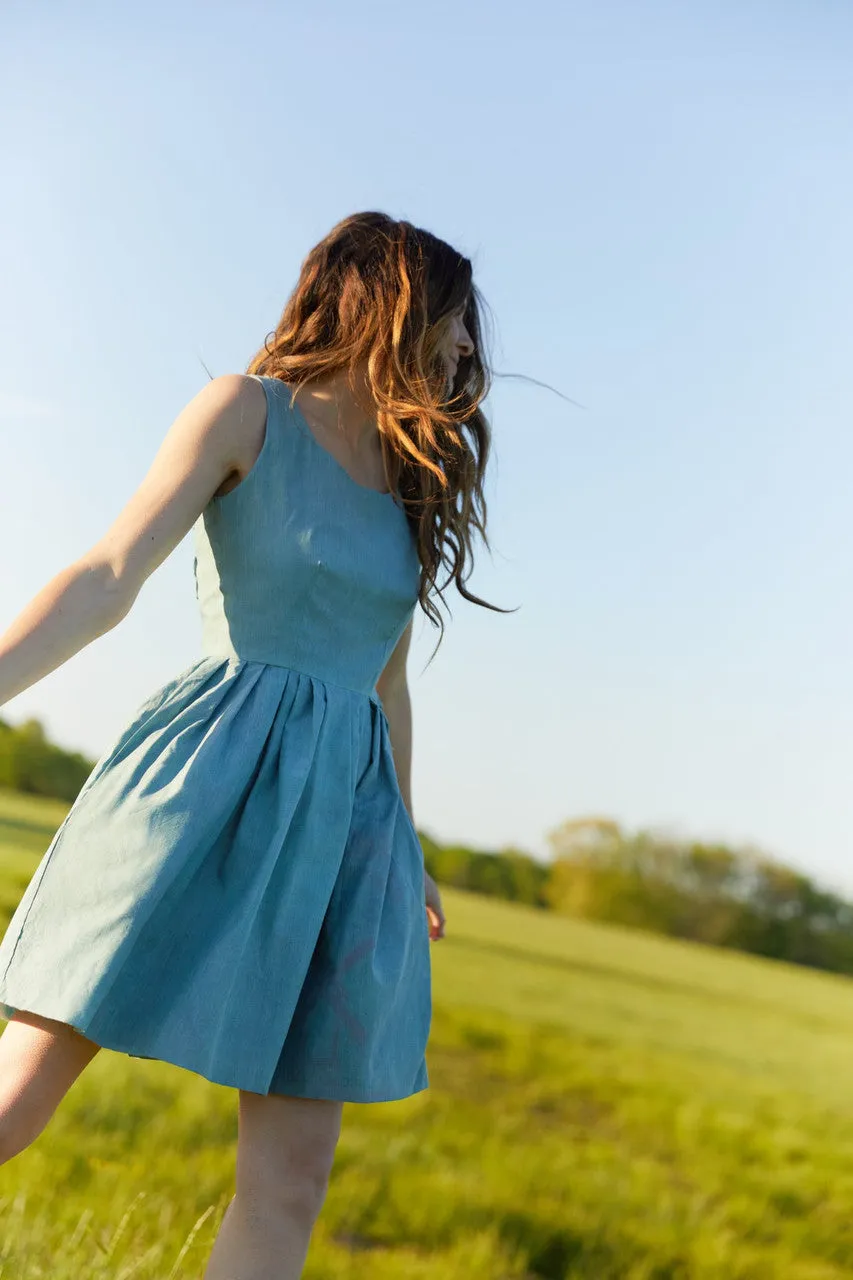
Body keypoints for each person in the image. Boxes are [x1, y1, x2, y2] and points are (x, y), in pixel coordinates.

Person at [0, 210, 506, 1278]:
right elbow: (106, 574)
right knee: (22, 1086)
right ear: (388, 301)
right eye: (456, 321)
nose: (468, 349)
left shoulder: (416, 478)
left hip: (346, 830)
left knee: (291, 1177)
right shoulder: (245, 412)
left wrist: (403, 840)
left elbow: (387, 680)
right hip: (205, 777)